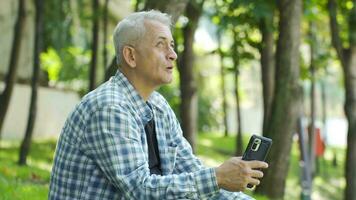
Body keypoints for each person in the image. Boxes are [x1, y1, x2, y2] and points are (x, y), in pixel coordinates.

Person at [48, 10, 268, 200]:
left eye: (172, 46)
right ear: (131, 56)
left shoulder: (158, 106)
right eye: (160, 45)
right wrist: (218, 177)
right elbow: (140, 190)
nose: (172, 55)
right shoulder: (109, 108)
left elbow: (189, 169)